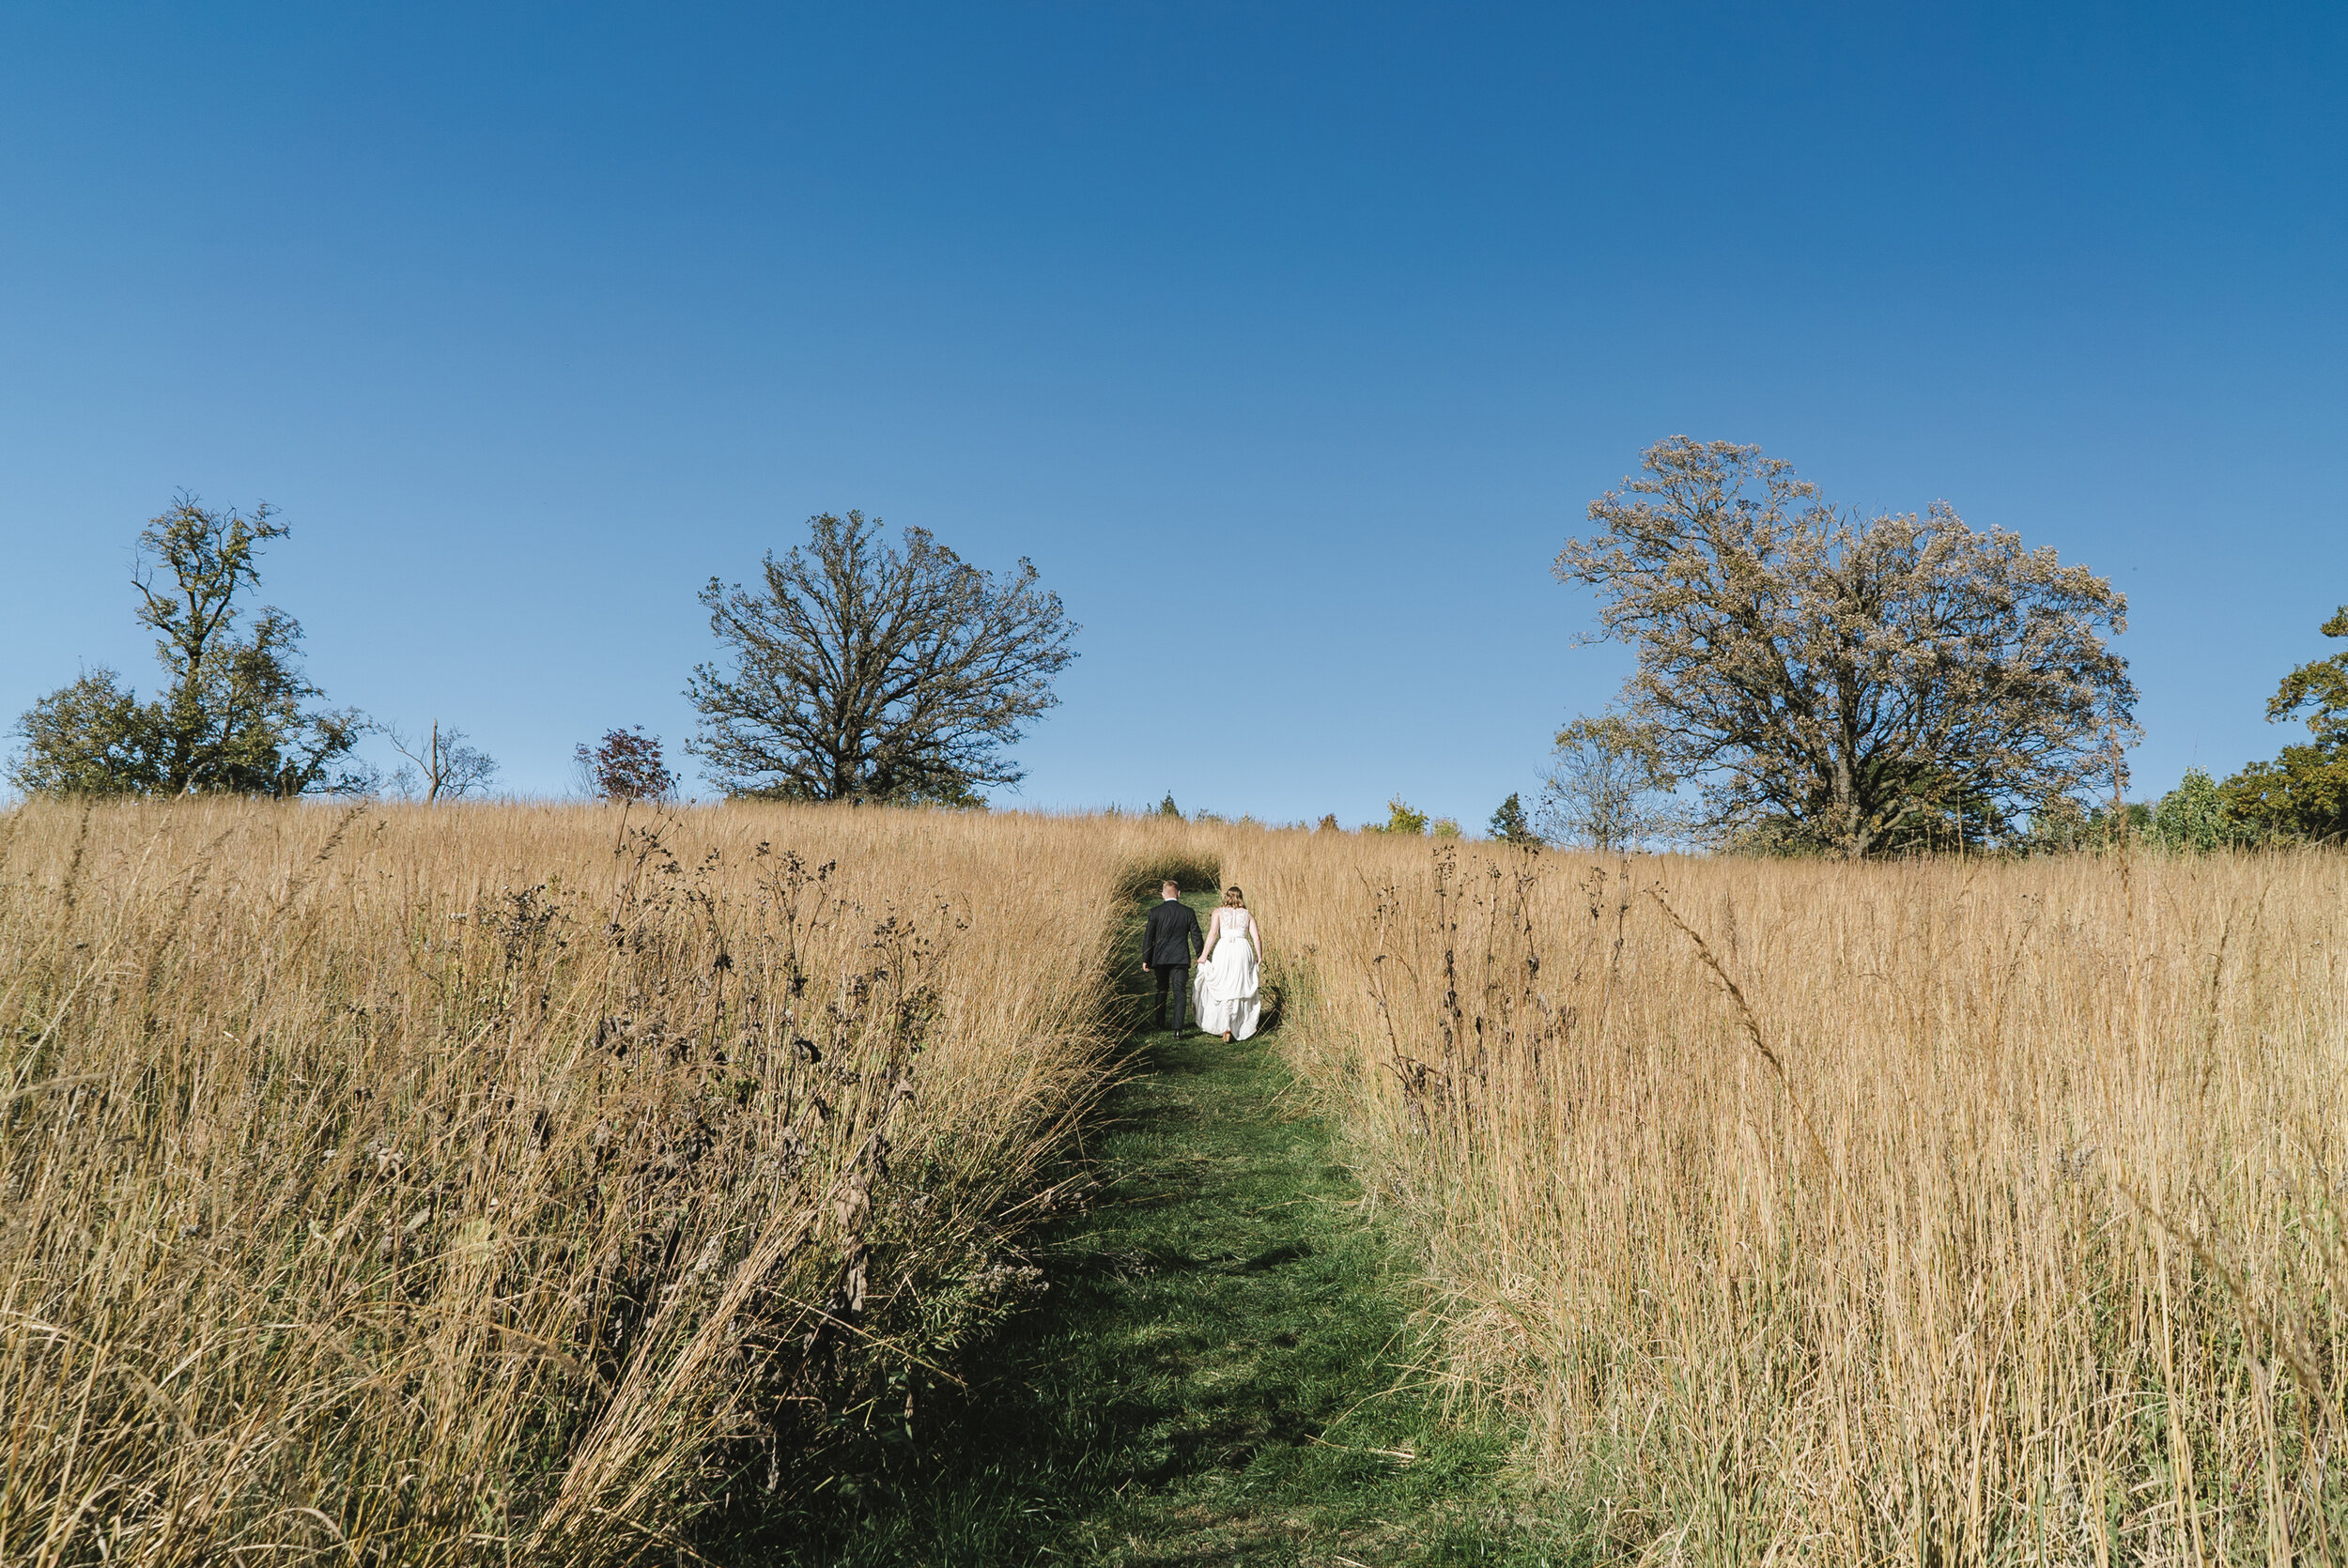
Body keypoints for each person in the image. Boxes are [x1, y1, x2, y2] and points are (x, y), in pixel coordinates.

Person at [1191, 885, 1263, 1041]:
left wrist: (1204, 955)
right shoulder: (1248, 915)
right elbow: (1256, 938)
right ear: (1241, 897)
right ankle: (1235, 1024)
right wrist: (1260, 956)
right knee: (1239, 986)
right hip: (1242, 950)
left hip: (1224, 949)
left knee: (1224, 985)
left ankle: (1226, 1025)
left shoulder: (1218, 912)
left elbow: (1213, 934)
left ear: (1227, 897)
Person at [1142, 880, 1203, 1033]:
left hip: (1160, 958)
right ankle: (1178, 1029)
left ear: (1163, 895)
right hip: (1180, 958)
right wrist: (1201, 955)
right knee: (1180, 992)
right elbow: (1196, 936)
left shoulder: (1155, 912)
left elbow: (1148, 937)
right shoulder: (1188, 912)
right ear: (1179, 894)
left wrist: (1146, 959)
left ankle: (1160, 1023)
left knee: (1161, 989)